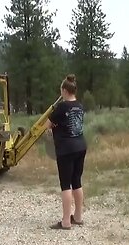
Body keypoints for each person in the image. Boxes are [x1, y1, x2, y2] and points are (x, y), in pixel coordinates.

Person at [45, 74, 87, 230]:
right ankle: (77, 216)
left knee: (65, 185)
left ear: (64, 90)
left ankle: (65, 221)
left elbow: (47, 125)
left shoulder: (62, 107)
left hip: (66, 149)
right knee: (77, 182)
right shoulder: (80, 106)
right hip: (80, 146)